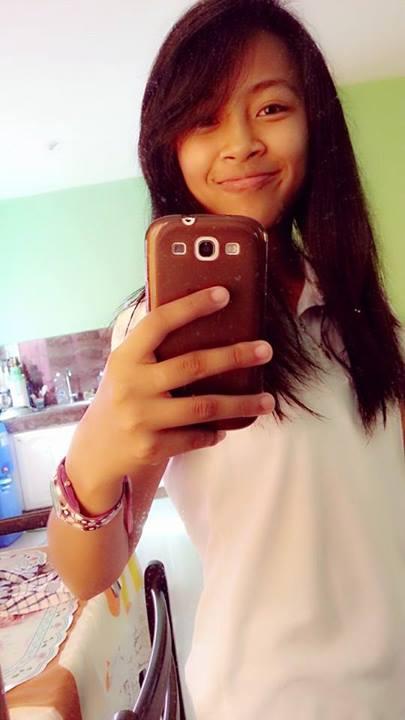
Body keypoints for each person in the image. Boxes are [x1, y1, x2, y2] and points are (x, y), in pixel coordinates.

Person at [47, 0, 405, 717]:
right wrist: (95, 449)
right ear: (169, 146)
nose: (240, 143)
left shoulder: (359, 309)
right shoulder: (158, 328)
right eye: (204, 119)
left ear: (315, 123)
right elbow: (88, 574)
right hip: (269, 701)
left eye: (271, 108)